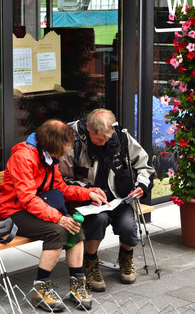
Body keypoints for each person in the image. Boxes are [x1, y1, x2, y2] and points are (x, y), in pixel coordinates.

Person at [0, 119, 108, 312]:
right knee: (58, 231)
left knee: (75, 225)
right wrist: (58, 218)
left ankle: (78, 285)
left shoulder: (48, 157)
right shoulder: (24, 157)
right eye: (67, 144)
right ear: (54, 144)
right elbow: (26, 199)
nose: (69, 148)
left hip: (40, 205)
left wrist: (86, 193)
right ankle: (40, 290)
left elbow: (60, 188)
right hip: (15, 212)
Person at [59, 108, 155, 292]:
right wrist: (87, 191)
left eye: (107, 139)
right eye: (98, 140)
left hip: (119, 197)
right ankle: (91, 261)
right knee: (99, 220)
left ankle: (126, 257)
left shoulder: (122, 138)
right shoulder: (73, 140)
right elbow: (62, 180)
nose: (103, 143)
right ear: (88, 128)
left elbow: (144, 165)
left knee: (128, 225)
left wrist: (142, 186)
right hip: (88, 201)